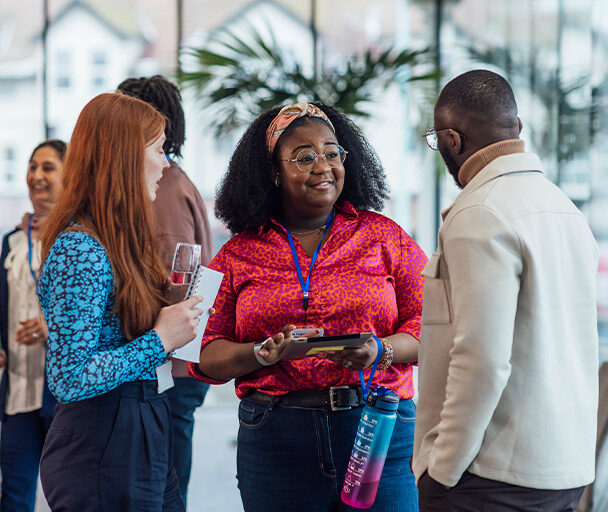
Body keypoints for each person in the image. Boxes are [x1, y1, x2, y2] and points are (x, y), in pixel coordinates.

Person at [188, 102, 426, 511]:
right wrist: (260, 354)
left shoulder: (384, 237)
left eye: (332, 153)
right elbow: (202, 353)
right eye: (304, 157)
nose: (323, 167)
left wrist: (381, 350)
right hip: (277, 437)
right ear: (273, 172)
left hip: (377, 427)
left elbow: (435, 324)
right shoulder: (236, 255)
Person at [413, 69, 599, 511]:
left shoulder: (480, 211)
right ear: (517, 129)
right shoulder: (564, 209)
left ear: (451, 141)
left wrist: (442, 468)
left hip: (491, 475)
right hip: (563, 469)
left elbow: (481, 357)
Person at [37, 92, 203, 511]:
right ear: (125, 156)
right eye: (159, 149)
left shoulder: (118, 241)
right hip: (101, 441)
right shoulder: (80, 248)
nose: (167, 163)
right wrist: (159, 339)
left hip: (138, 425)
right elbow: (69, 377)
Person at [116, 75, 213, 505]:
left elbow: (173, 285)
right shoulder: (169, 181)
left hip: (167, 366)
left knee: (162, 492)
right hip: (167, 361)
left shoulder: (162, 189)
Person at [0, 138, 65, 511]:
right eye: (33, 167)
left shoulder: (78, 238)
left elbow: (101, 313)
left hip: (62, 391)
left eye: (48, 168)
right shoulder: (12, 240)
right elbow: (5, 307)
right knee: (13, 495)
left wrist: (53, 327)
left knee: (67, 494)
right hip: (18, 386)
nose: (36, 175)